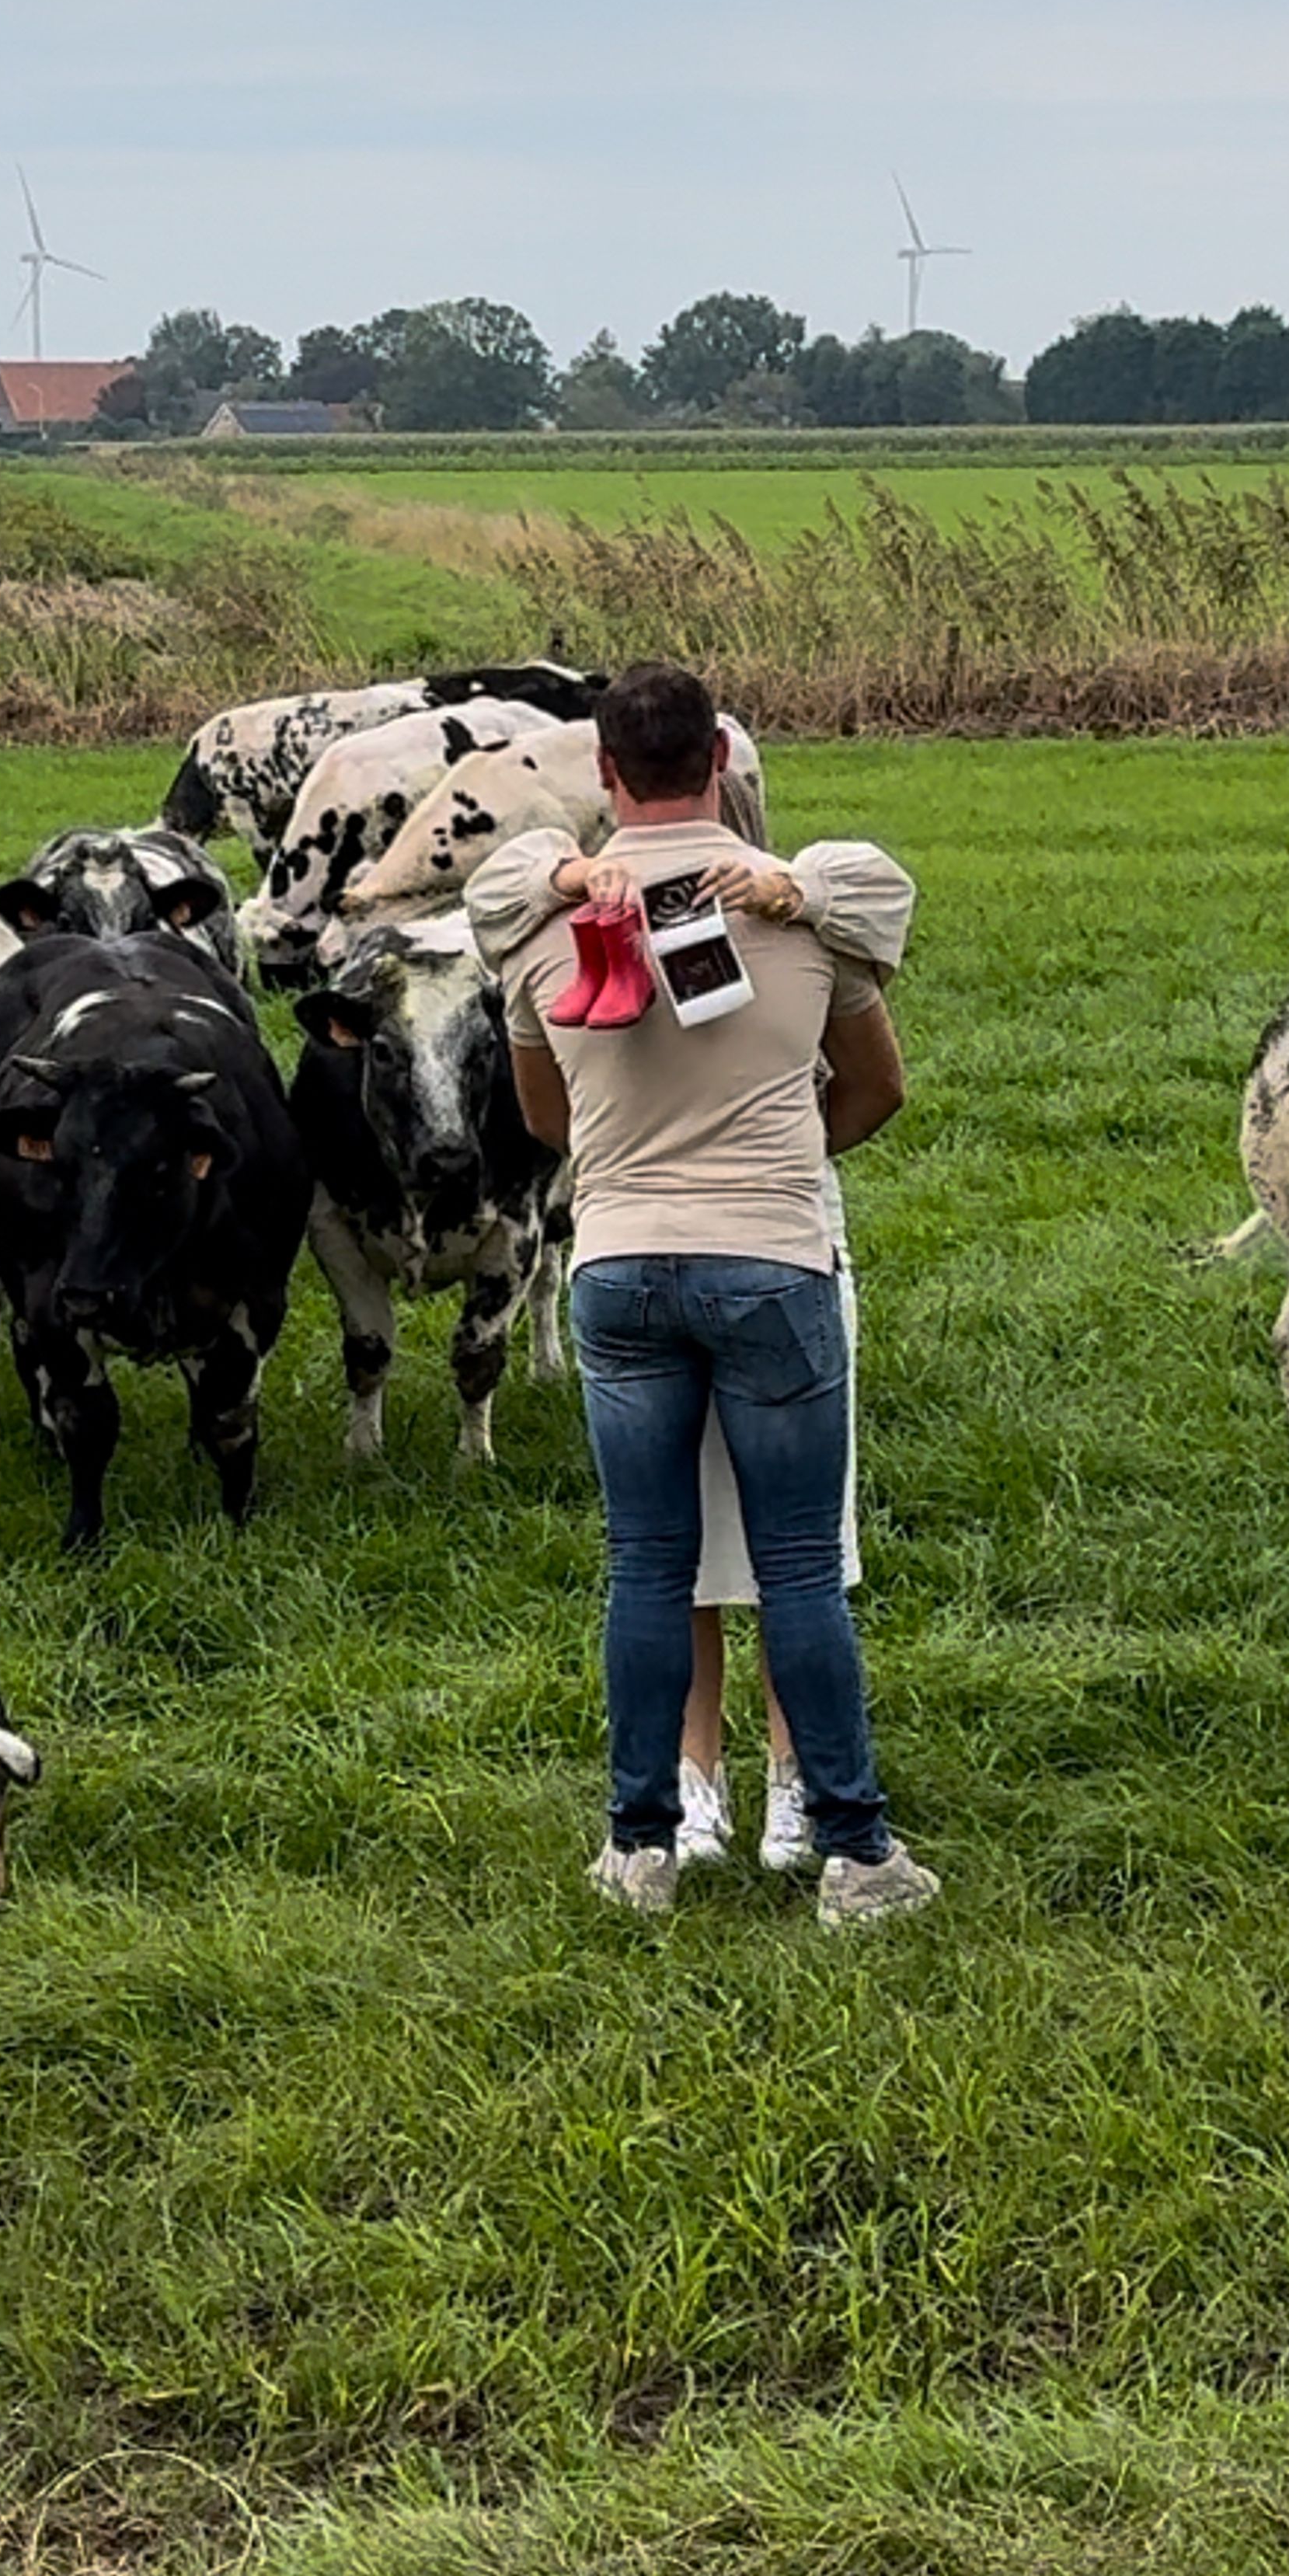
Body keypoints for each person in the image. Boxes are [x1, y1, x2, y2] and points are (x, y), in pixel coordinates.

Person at [468, 659, 935, 1929]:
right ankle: (853, 1852)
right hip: (773, 1258)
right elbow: (880, 1086)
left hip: (618, 1262)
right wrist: (779, 1155)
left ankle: (643, 1845)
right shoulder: (801, 916)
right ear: (724, 768)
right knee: (797, 1562)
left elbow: (543, 1114)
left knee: (647, 1563)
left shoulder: (540, 934)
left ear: (605, 776)